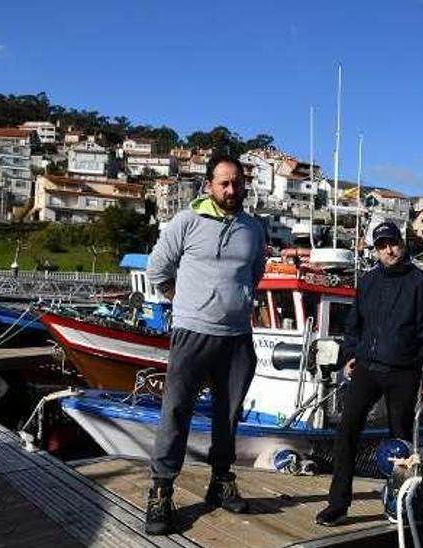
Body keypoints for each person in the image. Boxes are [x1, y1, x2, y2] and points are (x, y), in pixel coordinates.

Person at [143, 153, 267, 536]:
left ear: (244, 184)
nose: (231, 189)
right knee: (176, 411)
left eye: (237, 182)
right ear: (209, 186)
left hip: (237, 338)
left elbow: (255, 273)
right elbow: (157, 270)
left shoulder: (253, 229)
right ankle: (161, 491)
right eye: (224, 183)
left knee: (228, 414)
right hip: (192, 334)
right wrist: (183, 302)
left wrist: (238, 301)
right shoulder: (186, 222)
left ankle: (221, 481)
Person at [315, 221, 423, 526]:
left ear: (403, 243)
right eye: (382, 245)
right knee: (346, 433)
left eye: (393, 243)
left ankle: (397, 503)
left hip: (403, 372)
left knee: (400, 443)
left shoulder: (421, 284)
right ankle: (337, 504)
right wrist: (349, 356)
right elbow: (353, 327)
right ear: (375, 250)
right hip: (367, 368)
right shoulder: (369, 282)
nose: (389, 249)